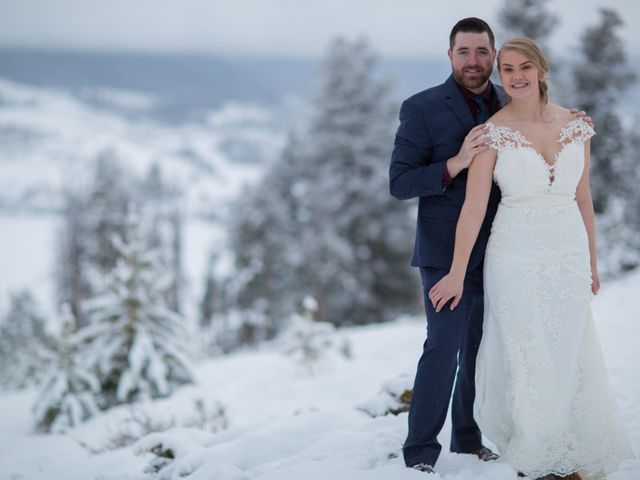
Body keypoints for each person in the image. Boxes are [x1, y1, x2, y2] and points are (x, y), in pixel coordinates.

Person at [428, 37, 634, 479]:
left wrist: (592, 263)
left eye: (524, 67)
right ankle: (539, 450)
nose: (515, 76)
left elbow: (583, 198)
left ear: (541, 69)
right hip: (515, 254)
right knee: (529, 352)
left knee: (568, 348)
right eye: (506, 69)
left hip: (568, 252)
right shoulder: (491, 134)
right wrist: (457, 273)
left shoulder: (576, 125)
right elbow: (474, 207)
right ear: (500, 76)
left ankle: (573, 444)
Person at [389, 17, 506, 473]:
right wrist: (455, 163)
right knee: (443, 346)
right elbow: (399, 183)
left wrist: (570, 119)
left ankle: (467, 437)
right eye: (464, 52)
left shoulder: (509, 101)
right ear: (450, 55)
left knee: (478, 345)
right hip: (442, 252)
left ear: (493, 55)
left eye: (482, 52)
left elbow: (541, 126)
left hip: (498, 247)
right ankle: (419, 451)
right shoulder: (420, 108)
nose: (474, 62)